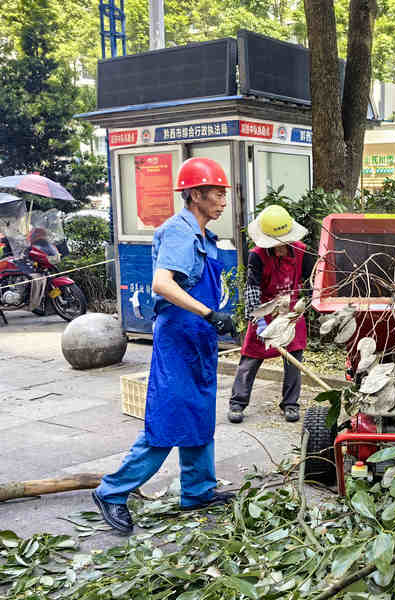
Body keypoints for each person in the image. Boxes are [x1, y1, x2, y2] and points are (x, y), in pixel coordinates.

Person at [92, 157, 236, 534]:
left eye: (223, 193)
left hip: (200, 339)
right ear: (195, 195)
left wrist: (218, 316)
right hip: (178, 336)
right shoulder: (178, 231)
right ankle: (112, 491)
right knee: (168, 421)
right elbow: (162, 283)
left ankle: (198, 490)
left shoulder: (206, 237)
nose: (223, 200)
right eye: (217, 193)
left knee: (200, 414)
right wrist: (209, 313)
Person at [228, 205, 314, 424]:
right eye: (273, 245)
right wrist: (257, 321)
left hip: (292, 312)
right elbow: (252, 289)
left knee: (294, 360)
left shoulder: (303, 252)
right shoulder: (256, 256)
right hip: (265, 311)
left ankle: (290, 404)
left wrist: (305, 305)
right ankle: (238, 402)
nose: (278, 250)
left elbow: (311, 285)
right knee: (250, 359)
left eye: (281, 245)